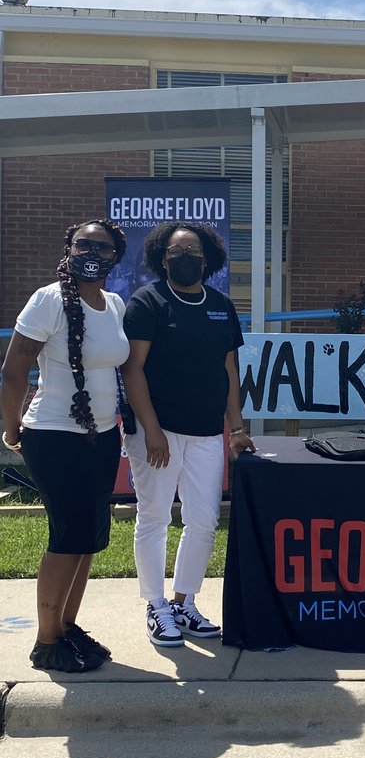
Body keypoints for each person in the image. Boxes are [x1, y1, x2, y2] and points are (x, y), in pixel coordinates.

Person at [0, 219, 129, 672]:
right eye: (84, 244)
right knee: (66, 536)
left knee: (89, 538)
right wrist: (12, 427)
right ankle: (46, 641)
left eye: (103, 246)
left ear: (117, 256)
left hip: (102, 436)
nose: (92, 252)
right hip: (54, 435)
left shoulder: (113, 304)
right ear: (69, 248)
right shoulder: (48, 299)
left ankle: (68, 627)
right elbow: (14, 370)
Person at [121, 221, 255, 648]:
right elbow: (132, 369)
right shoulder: (148, 301)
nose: (185, 257)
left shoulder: (220, 306)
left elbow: (229, 370)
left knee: (203, 520)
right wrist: (152, 429)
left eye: (193, 251)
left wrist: (235, 428)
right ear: (163, 257)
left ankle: (184, 602)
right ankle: (156, 605)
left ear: (207, 258)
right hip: (156, 432)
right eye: (176, 251)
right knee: (155, 516)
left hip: (205, 433)